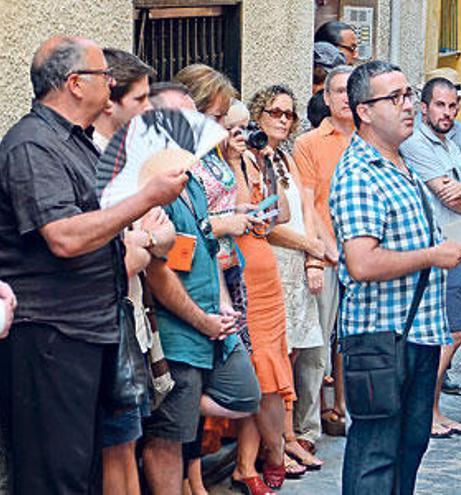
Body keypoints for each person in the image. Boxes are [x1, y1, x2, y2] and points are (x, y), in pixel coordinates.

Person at [0, 35, 187, 494]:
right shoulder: (33, 145)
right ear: (74, 84)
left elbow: (104, 226)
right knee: (53, 475)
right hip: (51, 334)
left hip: (91, 328)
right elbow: (63, 237)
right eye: (104, 74)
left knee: (82, 471)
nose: (110, 82)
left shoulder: (80, 143)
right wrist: (146, 199)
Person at [331, 60, 461, 495]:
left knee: (410, 446)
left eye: (408, 95)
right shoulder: (359, 174)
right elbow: (362, 262)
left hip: (419, 334)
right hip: (380, 338)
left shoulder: (402, 162)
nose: (408, 105)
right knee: (376, 455)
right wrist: (433, 255)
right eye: (395, 98)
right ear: (365, 111)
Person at [141, 67, 262, 495]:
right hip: (179, 331)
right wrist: (202, 321)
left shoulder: (188, 177)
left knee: (246, 393)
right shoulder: (151, 184)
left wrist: (224, 305)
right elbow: (159, 274)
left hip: (212, 319)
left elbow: (206, 250)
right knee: (168, 438)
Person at [92, 47, 176, 495]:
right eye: (141, 99)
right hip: (110, 320)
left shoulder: (126, 156)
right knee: (117, 447)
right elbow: (121, 256)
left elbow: (166, 237)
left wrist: (146, 239)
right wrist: (145, 240)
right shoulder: (95, 161)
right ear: (110, 100)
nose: (149, 110)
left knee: (127, 440)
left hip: (135, 317)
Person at [400, 76, 461, 437]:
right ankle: (422, 413)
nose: (448, 112)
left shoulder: (452, 143)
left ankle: (434, 412)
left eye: (453, 106)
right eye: (440, 105)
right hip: (441, 251)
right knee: (452, 334)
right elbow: (450, 199)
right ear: (424, 107)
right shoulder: (417, 145)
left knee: (447, 334)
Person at [252, 85, 327, 473]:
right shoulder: (253, 158)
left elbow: (308, 205)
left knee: (295, 354)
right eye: (276, 112)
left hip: (297, 263)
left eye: (290, 115)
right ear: (258, 115)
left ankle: (290, 436)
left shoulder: (285, 156)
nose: (283, 120)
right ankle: (278, 442)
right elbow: (266, 225)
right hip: (275, 262)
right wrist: (310, 247)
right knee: (276, 360)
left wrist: (312, 255)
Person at [230, 84, 296, 492]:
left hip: (266, 276)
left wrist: (266, 164)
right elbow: (237, 206)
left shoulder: (264, 159)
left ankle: (260, 456)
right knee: (255, 370)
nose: (281, 121)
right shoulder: (226, 163)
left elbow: (280, 212)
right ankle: (259, 457)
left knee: (269, 369)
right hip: (240, 275)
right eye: (234, 127)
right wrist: (239, 160)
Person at [292, 64, 355, 451]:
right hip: (328, 254)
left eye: (352, 90)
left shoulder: (374, 141)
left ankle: (348, 411)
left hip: (369, 257)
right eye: (338, 91)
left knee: (356, 343)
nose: (346, 97)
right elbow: (308, 204)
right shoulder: (310, 143)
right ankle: (307, 428)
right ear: (326, 97)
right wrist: (320, 253)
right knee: (316, 348)